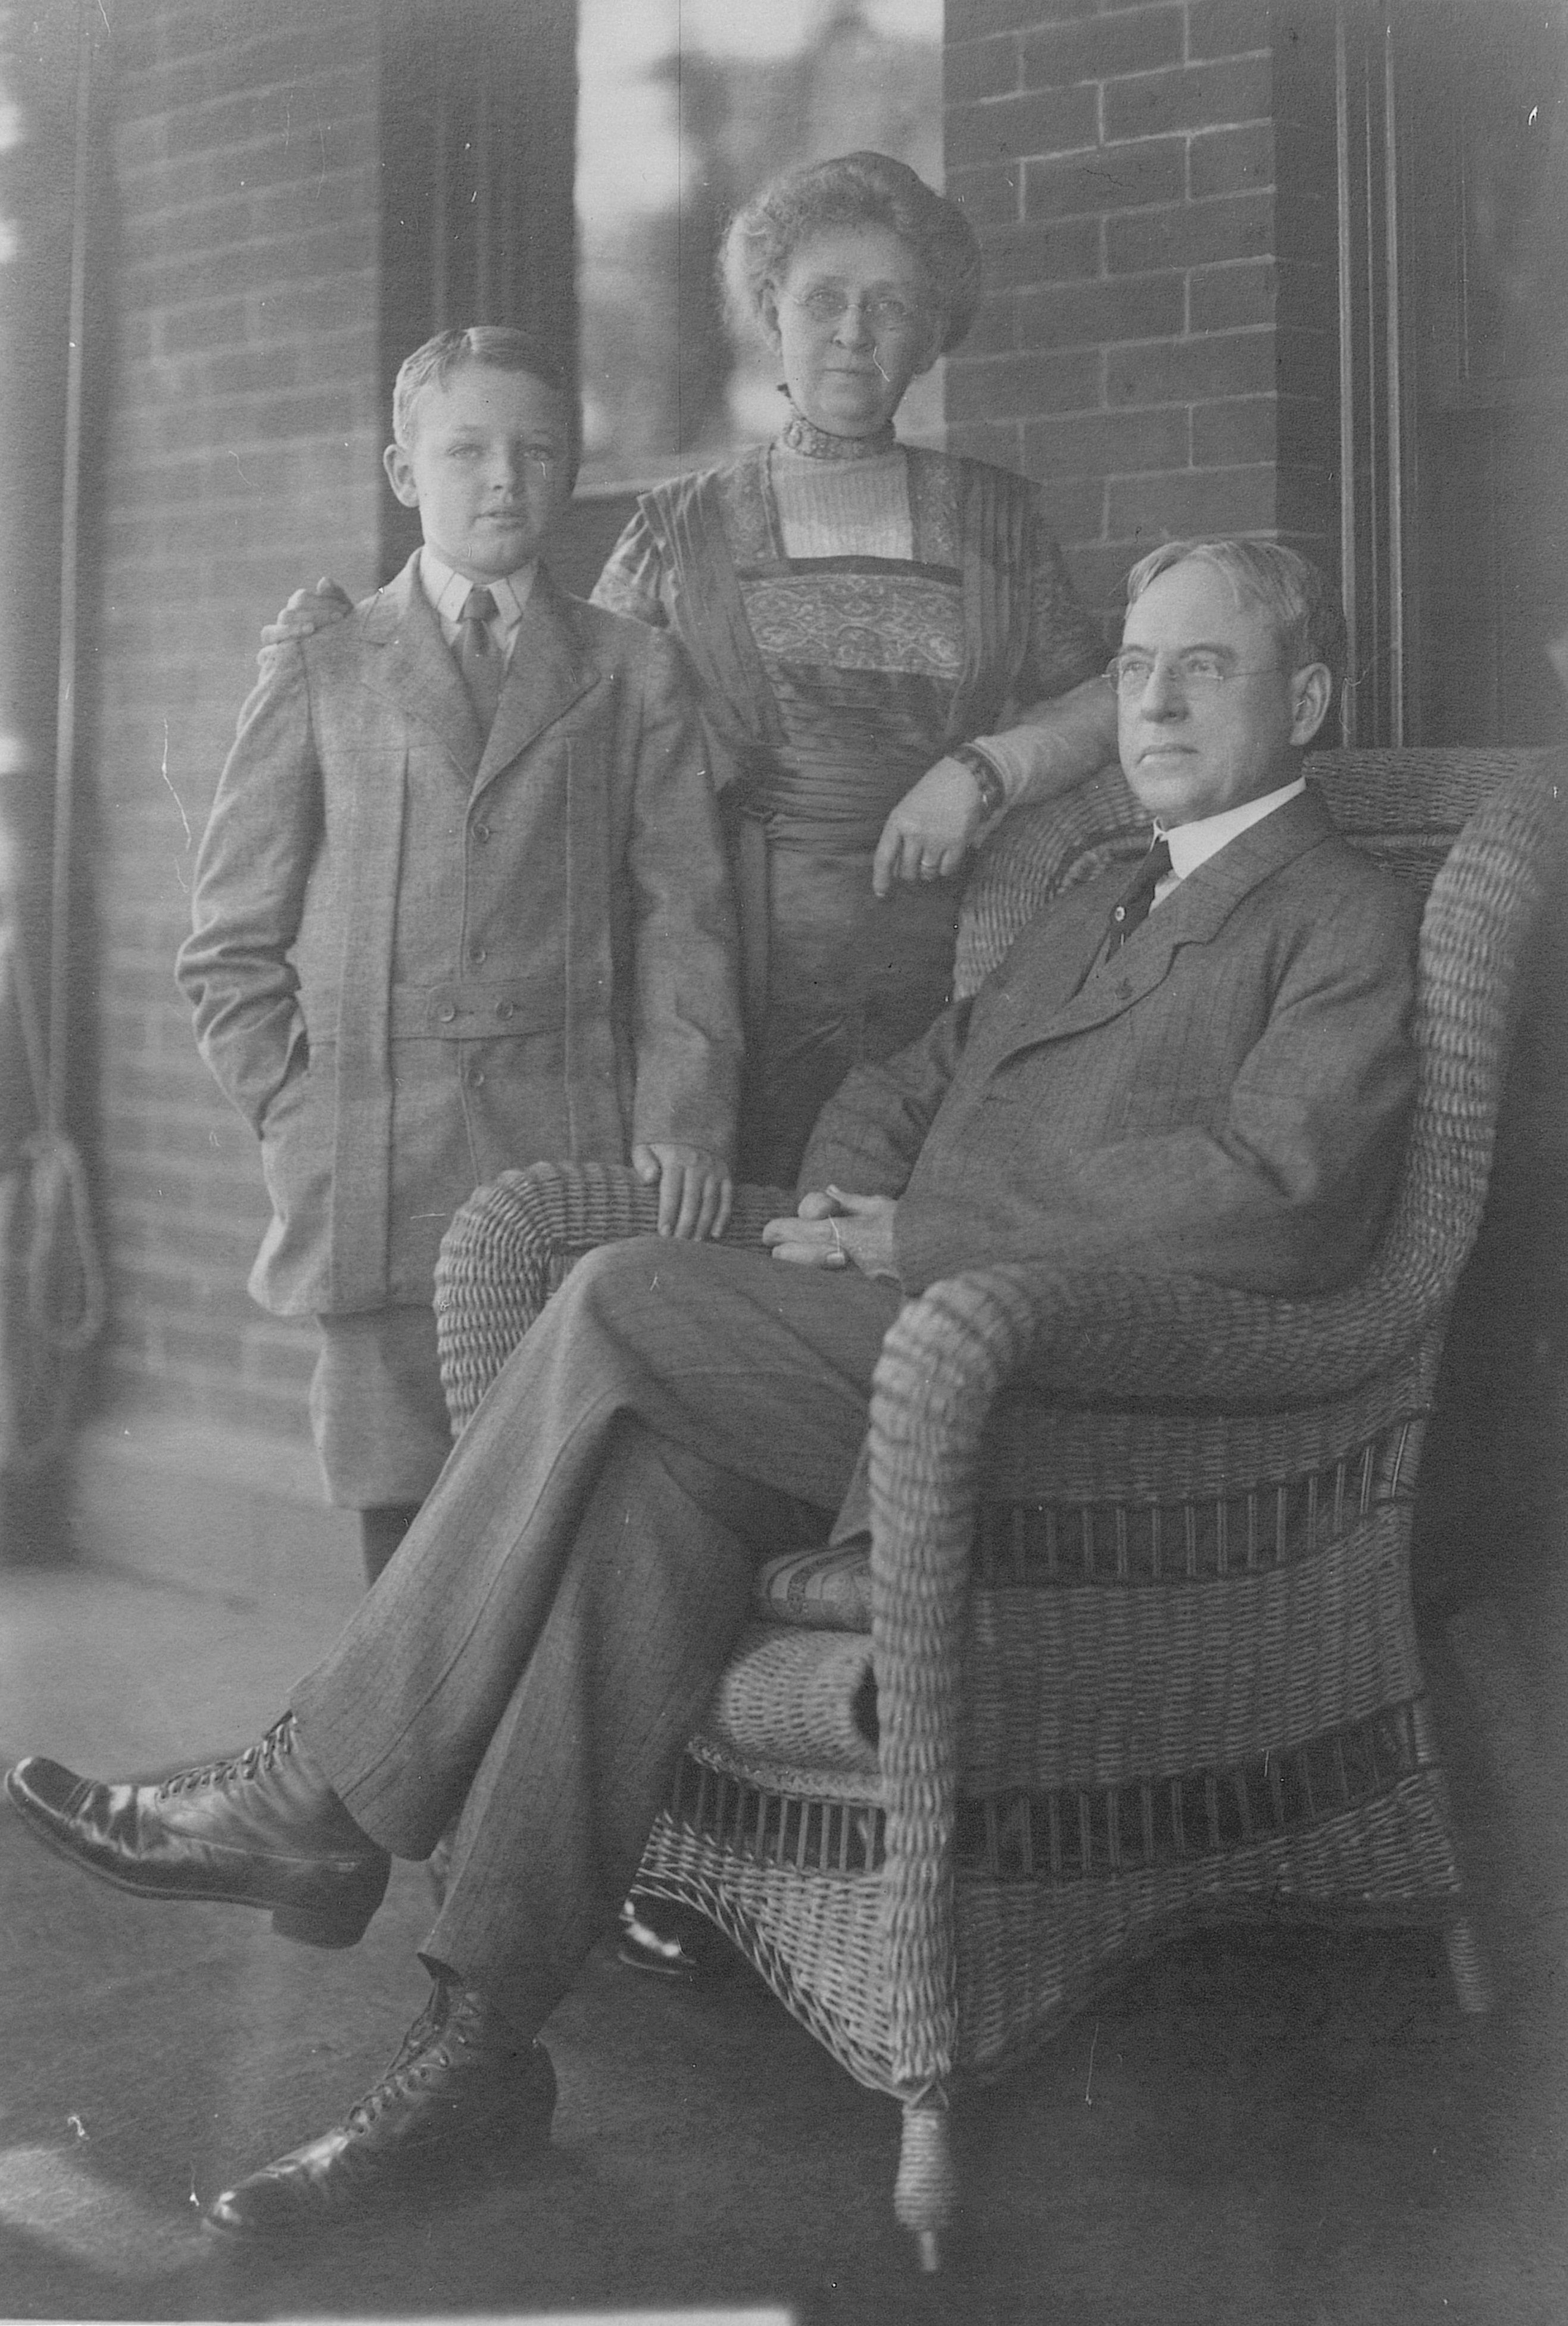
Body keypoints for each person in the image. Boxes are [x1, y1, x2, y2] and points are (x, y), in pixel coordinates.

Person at [8, 540, 1423, 2237]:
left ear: (1308, 701)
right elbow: (914, 1076)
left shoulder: (1340, 910)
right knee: (644, 1495)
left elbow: (1277, 1201)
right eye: (1132, 667)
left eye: (1205, 667)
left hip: (1080, 1402)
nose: (1157, 700)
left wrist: (921, 1236)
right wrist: (841, 1209)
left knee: (615, 1297)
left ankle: (314, 1793)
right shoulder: (1092, 883)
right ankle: (476, 2049)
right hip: (900, 1360)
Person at [267, 152, 1118, 1189]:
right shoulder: (683, 525)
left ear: (932, 333)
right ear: (771, 311)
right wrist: (354, 634)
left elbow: (1114, 692)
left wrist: (984, 768)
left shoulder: (997, 518)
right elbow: (548, 694)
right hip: (734, 978)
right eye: (824, 300)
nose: (854, 332)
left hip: (962, 955)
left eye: (892, 305)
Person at [179, 326, 743, 1590]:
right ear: (401, 469)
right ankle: (401, 1787)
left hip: (568, 1154)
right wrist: (298, 1116)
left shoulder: (630, 670)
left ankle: (525, 1792)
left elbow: (686, 917)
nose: (504, 480)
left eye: (538, 452)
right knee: (406, 1532)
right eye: (468, 450)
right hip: (379, 1171)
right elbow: (227, 946)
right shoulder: (327, 668)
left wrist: (686, 1118)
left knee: (563, 1509)